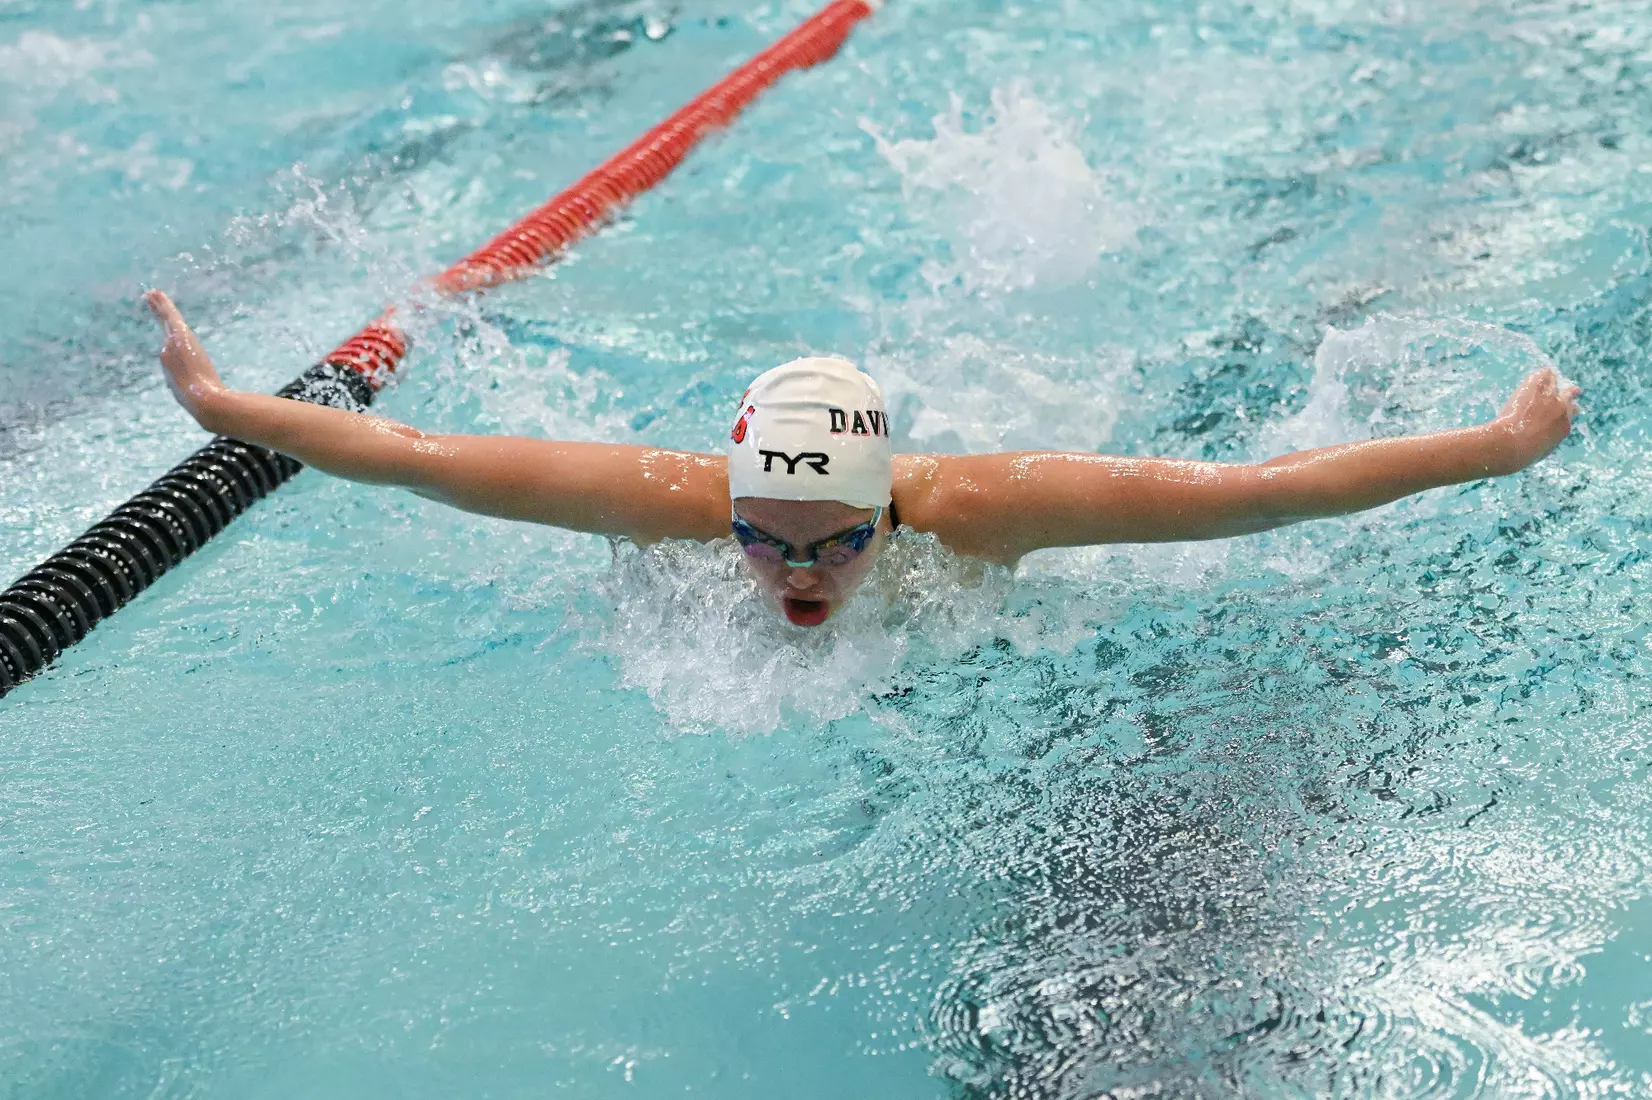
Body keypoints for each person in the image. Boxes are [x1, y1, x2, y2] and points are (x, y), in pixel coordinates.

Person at [144, 290, 1581, 627]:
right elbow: (420, 454)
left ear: (892, 501)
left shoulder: (980, 515)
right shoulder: (689, 507)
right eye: (767, 538)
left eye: (840, 541)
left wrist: (1496, 448)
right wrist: (228, 410)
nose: (795, 570)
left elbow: (1265, 495)